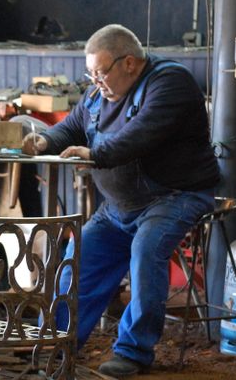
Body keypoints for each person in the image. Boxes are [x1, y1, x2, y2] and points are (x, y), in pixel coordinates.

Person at [22, 24, 220, 377]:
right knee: (78, 258)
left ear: (129, 63)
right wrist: (43, 141)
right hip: (118, 207)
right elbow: (71, 127)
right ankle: (53, 343)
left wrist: (92, 153)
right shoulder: (100, 93)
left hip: (175, 196)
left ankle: (133, 351)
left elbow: (137, 137)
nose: (95, 81)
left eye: (100, 73)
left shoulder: (170, 83)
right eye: (91, 73)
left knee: (146, 251)